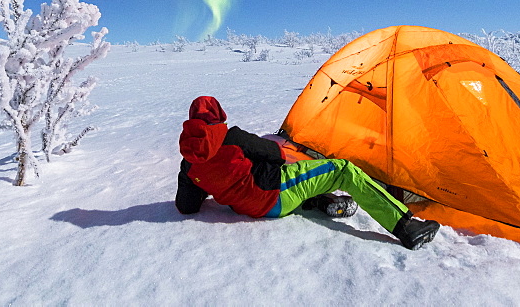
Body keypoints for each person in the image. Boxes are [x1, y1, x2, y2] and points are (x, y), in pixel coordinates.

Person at [175, 95, 440, 250]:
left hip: (246, 207)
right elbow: (275, 154)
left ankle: (316, 200)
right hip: (274, 197)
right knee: (343, 170)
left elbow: (186, 206)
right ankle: (406, 226)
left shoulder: (188, 164)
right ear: (218, 115)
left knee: (302, 178)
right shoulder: (233, 137)